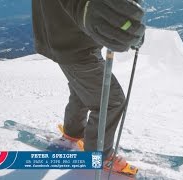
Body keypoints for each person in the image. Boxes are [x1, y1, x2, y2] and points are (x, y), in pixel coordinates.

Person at [32, 0, 145, 175]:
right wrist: (84, 7)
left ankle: (73, 133)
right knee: (111, 101)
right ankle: (99, 155)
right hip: (74, 47)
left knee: (82, 91)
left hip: (66, 40)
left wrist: (124, 26)